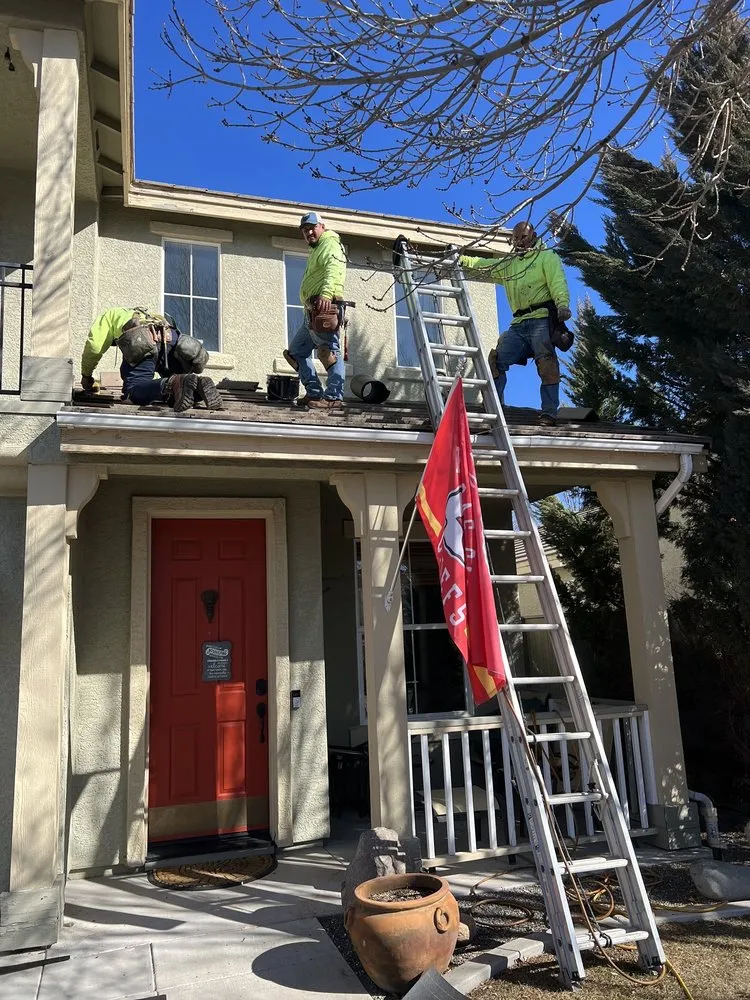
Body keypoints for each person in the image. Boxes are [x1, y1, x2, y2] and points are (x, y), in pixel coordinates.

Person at [460, 222, 572, 426]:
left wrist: (562, 304)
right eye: (516, 238)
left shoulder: (545, 257)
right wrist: (462, 259)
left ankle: (549, 413)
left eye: (524, 237)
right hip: (519, 323)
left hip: (540, 318)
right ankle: (494, 407)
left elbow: (557, 282)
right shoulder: (510, 265)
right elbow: (485, 265)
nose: (520, 242)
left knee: (546, 363)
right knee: (497, 360)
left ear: (534, 236)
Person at [80, 307, 223, 412]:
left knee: (134, 391)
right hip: (172, 340)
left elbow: (94, 347)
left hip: (142, 339)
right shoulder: (146, 314)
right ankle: (198, 386)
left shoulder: (110, 315)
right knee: (180, 391)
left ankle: (173, 384)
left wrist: (86, 376)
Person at [283, 211, 347, 409]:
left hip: (324, 307)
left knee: (329, 351)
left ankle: (334, 396)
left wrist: (326, 295)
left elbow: (333, 269)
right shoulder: (316, 249)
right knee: (295, 352)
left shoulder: (330, 243)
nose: (309, 232)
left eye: (312, 228)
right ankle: (314, 392)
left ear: (322, 227)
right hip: (311, 311)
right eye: (305, 230)